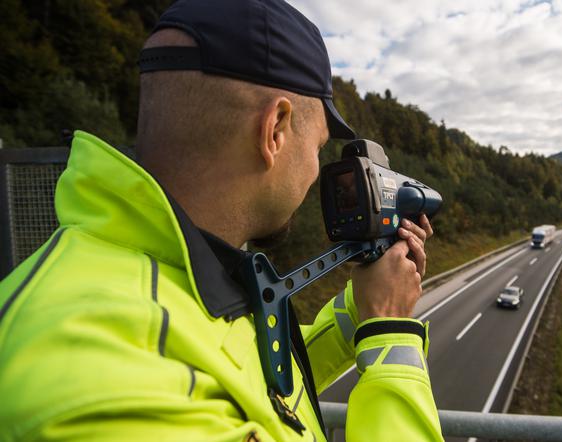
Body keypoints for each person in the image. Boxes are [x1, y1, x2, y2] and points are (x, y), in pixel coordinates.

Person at [0, 0, 442, 440]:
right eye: (318, 148)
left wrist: (361, 310)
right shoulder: (108, 384)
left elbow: (252, 379)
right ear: (275, 130)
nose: (314, 170)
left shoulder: (178, 282)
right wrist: (391, 338)